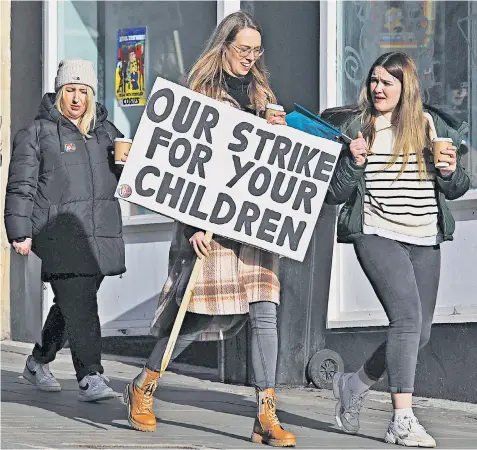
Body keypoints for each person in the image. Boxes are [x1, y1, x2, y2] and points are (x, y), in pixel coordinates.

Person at [123, 11, 296, 447]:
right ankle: (143, 384)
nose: (251, 59)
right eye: (243, 49)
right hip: (211, 224)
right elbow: (186, 165)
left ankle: (265, 413)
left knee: (265, 313)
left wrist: (282, 136)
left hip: (254, 226)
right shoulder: (200, 93)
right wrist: (192, 224)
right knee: (197, 317)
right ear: (223, 47)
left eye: (257, 50)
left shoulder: (263, 94)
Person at [323, 52, 470, 447]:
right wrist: (353, 162)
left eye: (387, 82)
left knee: (419, 333)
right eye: (374, 81)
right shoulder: (359, 128)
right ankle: (401, 420)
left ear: (407, 88)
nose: (378, 88)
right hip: (376, 232)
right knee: (405, 320)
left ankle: (353, 385)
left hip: (424, 236)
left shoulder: (431, 125)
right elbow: (334, 195)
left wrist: (450, 172)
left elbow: (459, 188)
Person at [4, 58, 127, 402]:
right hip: (56, 232)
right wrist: (19, 231)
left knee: (70, 302)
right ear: (59, 93)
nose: (76, 98)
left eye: (83, 91)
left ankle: (38, 361)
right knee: (81, 302)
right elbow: (21, 186)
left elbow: (122, 179)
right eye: (70, 90)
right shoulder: (37, 134)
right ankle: (90, 376)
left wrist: (128, 167)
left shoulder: (106, 132)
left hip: (98, 232)